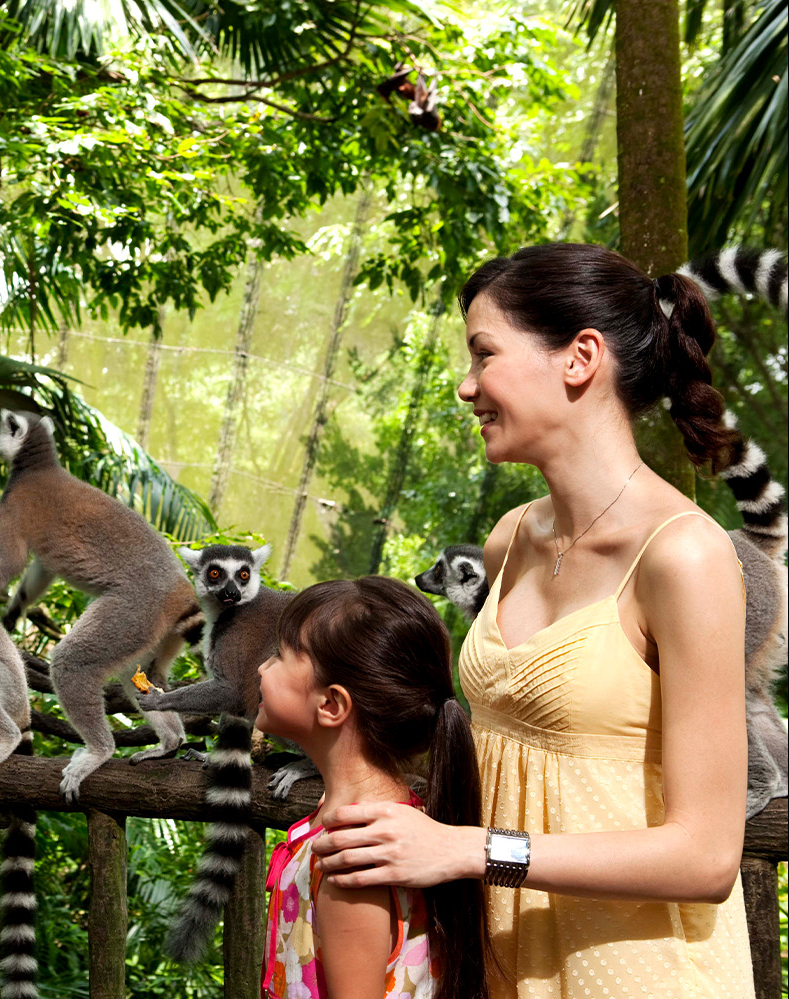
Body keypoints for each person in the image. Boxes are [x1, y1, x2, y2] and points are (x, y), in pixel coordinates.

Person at [309, 243, 753, 997]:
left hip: (642, 974)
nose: (465, 385)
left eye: (484, 354)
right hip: (506, 965)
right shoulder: (509, 538)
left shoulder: (685, 557)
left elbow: (706, 858)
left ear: (580, 357)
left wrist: (469, 850)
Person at [255, 576, 489, 999]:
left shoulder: (354, 857)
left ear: (331, 705)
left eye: (278, 655)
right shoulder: (377, 818)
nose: (261, 667)